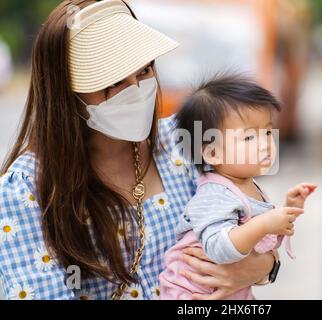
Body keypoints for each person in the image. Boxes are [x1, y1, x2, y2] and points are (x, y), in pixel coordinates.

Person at [0, 0, 281, 300]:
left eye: (145, 70)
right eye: (115, 81)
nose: (136, 88)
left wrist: (263, 266)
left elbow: (257, 221)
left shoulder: (184, 141)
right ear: (65, 92)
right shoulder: (27, 191)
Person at [159, 75, 317, 299]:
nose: (265, 145)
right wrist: (264, 224)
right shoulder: (214, 194)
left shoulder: (245, 186)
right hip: (191, 294)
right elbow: (219, 248)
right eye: (249, 137)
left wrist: (287, 209)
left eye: (268, 132)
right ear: (213, 152)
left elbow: (262, 243)